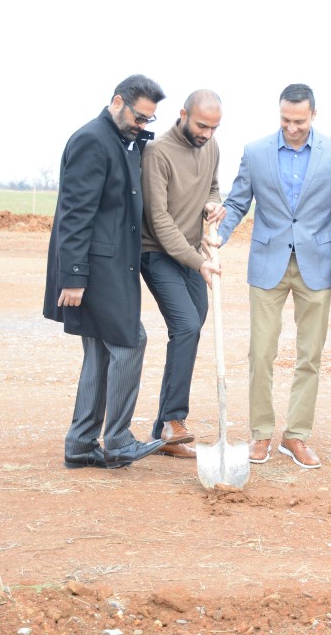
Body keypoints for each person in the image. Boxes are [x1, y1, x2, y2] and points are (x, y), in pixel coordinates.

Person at [217, 83, 331, 469]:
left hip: (319, 265)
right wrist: (218, 237)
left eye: (299, 121)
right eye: (285, 120)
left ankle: (296, 436)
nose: (292, 128)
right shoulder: (255, 152)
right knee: (261, 352)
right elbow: (237, 202)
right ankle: (260, 433)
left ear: (313, 115)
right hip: (268, 264)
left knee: (309, 355)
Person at [44, 74, 168, 470]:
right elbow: (74, 214)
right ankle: (117, 440)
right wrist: (73, 276)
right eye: (139, 116)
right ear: (117, 102)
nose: (142, 125)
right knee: (131, 340)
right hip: (96, 269)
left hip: (110, 265)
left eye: (149, 119)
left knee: (99, 351)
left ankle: (81, 444)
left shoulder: (121, 142)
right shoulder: (92, 141)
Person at [140, 90, 226, 459]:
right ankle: (174, 420)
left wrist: (213, 204)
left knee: (190, 328)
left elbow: (213, 187)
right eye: (202, 125)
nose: (207, 133)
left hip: (191, 254)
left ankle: (164, 432)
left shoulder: (212, 147)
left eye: (214, 127)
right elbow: (159, 220)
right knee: (187, 326)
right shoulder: (157, 153)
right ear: (183, 114)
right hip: (157, 254)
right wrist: (198, 261)